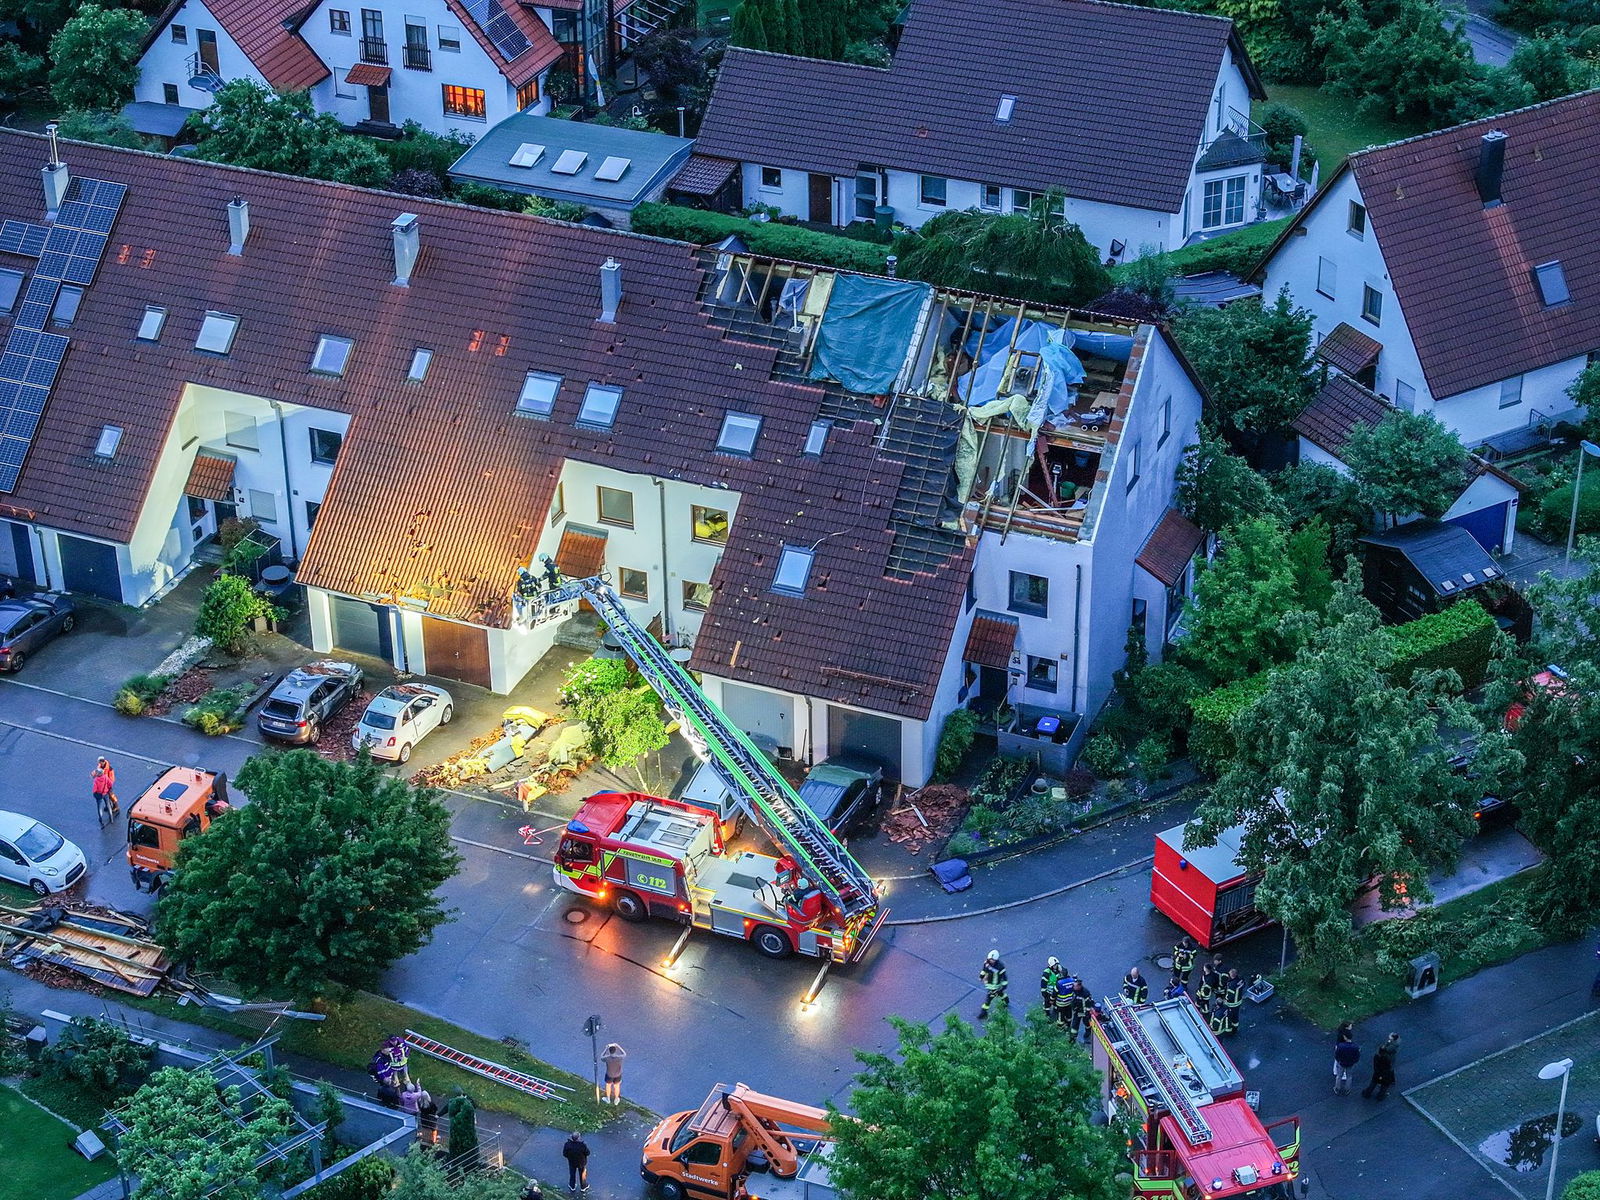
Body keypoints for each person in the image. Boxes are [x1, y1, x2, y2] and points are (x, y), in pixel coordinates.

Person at [1363, 1033, 1400, 1099]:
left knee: (1373, 1082)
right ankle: (1380, 1096)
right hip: (1385, 1073)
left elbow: (1375, 1064)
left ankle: (1367, 1093)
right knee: (1384, 1086)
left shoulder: (1377, 1056)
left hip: (1377, 1072)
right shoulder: (1388, 1058)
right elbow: (1389, 1067)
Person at [979, 950, 1008, 1019]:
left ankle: (983, 1012)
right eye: (990, 959)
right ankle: (1006, 1000)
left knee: (988, 999)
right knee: (1000, 993)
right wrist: (981, 976)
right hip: (989, 983)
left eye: (993, 960)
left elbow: (1004, 977)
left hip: (996, 985)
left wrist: (1004, 986)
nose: (991, 961)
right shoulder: (986, 963)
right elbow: (984, 970)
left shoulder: (1000, 967)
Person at [92, 757, 119, 826]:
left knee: (111, 796)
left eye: (100, 762)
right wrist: (93, 774)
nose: (99, 763)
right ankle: (110, 814)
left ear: (103, 762)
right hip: (105, 787)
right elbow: (96, 772)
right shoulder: (99, 766)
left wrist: (109, 786)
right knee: (107, 800)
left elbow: (112, 779)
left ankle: (116, 806)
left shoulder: (109, 768)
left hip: (107, 786)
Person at [1222, 968, 1244, 1036]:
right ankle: (1235, 1029)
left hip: (1232, 1004)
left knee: (1230, 1016)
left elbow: (1230, 996)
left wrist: (1225, 1000)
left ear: (1232, 975)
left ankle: (1230, 1031)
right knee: (1236, 1016)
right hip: (1238, 1001)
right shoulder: (1241, 980)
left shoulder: (1231, 984)